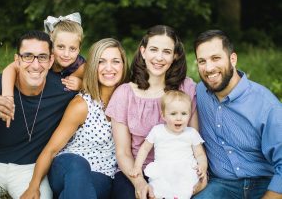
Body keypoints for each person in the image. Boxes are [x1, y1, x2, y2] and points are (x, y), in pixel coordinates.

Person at [105, 25, 207, 199]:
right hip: (136, 170)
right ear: (143, 52)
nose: (159, 57)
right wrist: (140, 183)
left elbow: (194, 139)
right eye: (153, 50)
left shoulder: (186, 88)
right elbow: (123, 152)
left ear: (175, 56)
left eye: (166, 52)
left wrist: (201, 172)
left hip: (178, 171)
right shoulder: (124, 94)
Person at [20, 38, 129, 199]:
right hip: (67, 166)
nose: (109, 68)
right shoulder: (82, 105)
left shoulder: (128, 101)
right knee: (78, 165)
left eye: (115, 61)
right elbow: (51, 150)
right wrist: (33, 186)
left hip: (102, 174)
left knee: (82, 192)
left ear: (123, 66)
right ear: (93, 67)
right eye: (101, 61)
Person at [0, 30, 76, 198]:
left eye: (42, 57)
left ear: (51, 60)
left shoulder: (64, 89)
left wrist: (82, 81)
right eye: (27, 56)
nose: (35, 65)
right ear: (17, 60)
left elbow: (98, 82)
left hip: (30, 169)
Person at [192, 29, 282, 199]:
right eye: (202, 61)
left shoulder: (266, 105)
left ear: (233, 59)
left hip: (264, 183)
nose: (209, 68)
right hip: (222, 184)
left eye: (215, 58)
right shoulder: (198, 92)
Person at [2, 12, 85, 127]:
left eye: (72, 49)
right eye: (60, 47)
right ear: (51, 44)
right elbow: (10, 69)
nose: (66, 54)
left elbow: (97, 85)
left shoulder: (80, 65)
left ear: (79, 49)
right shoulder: (42, 58)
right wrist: (7, 97)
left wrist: (82, 84)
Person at [129, 90, 207, 199]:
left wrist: (203, 166)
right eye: (173, 113)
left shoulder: (191, 133)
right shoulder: (157, 131)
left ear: (189, 115)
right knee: (158, 191)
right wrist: (137, 167)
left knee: (185, 190)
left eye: (184, 113)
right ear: (164, 115)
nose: (179, 118)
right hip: (163, 169)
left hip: (185, 170)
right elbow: (144, 149)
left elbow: (200, 154)